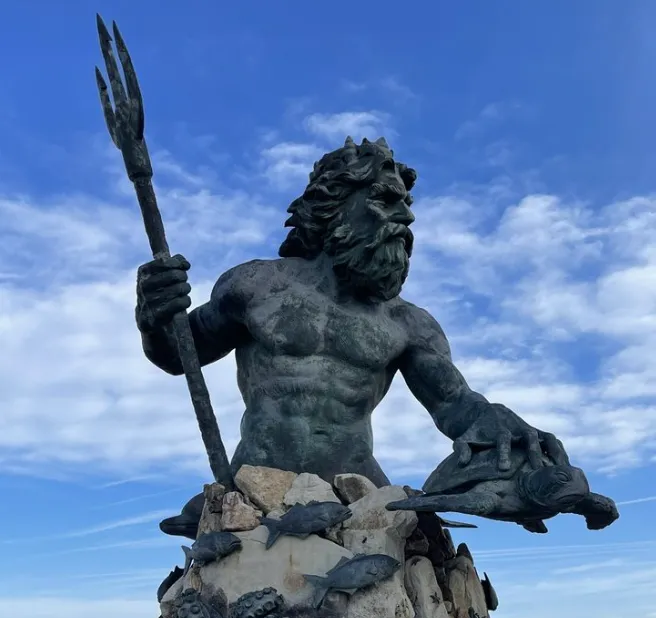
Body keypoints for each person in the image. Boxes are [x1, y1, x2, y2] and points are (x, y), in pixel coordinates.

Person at [135, 136, 568, 486]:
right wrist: (153, 316)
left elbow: (455, 404)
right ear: (336, 206)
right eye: (386, 199)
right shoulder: (257, 286)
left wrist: (496, 422)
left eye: (408, 206)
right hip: (256, 486)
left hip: (358, 489)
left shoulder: (409, 325)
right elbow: (178, 355)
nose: (406, 218)